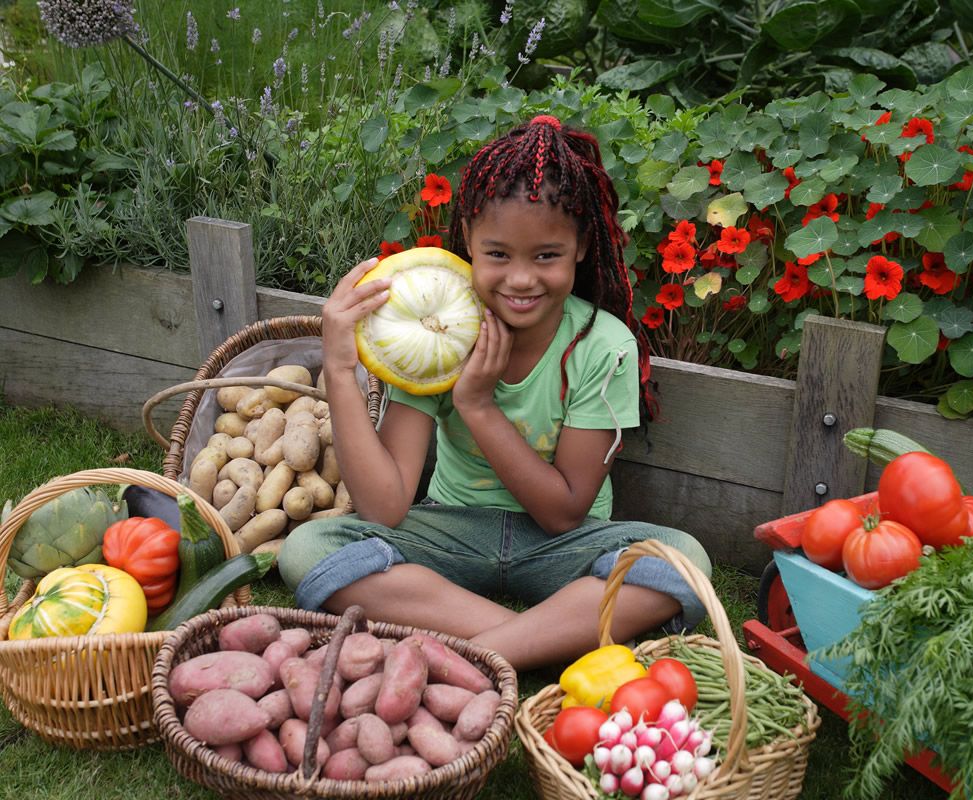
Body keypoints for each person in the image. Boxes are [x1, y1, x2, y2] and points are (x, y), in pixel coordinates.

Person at [278, 115, 712, 671]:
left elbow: (563, 512)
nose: (522, 279)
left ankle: (479, 652)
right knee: (309, 549)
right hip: (451, 534)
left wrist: (478, 406)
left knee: (683, 561)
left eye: (546, 256)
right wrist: (340, 368)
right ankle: (544, 639)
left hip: (567, 547)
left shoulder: (604, 346)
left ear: (580, 247)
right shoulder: (440, 331)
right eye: (499, 254)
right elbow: (385, 508)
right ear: (469, 242)